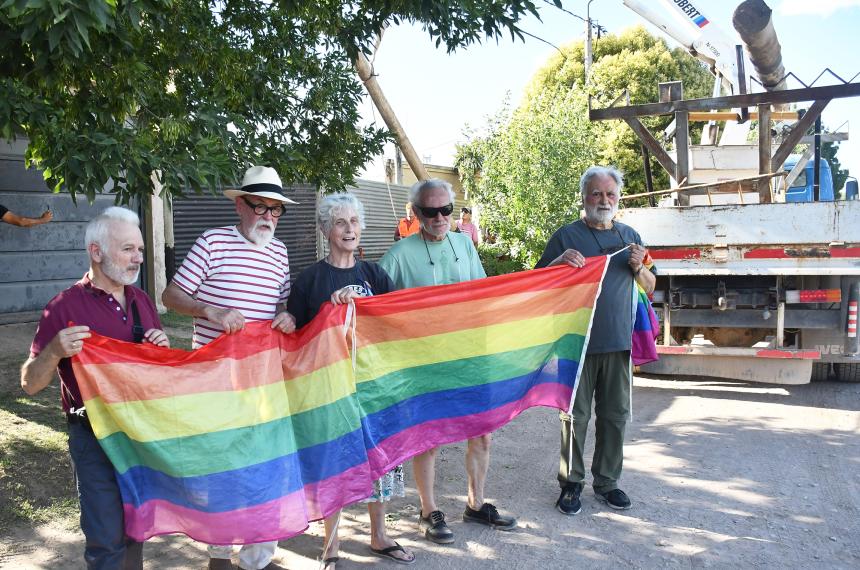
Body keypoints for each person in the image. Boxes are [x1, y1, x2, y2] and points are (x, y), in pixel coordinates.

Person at [161, 165, 296, 570]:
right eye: (260, 207)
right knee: (221, 466)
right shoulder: (212, 242)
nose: (268, 217)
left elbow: (282, 303)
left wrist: (288, 315)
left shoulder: (280, 252)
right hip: (216, 378)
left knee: (264, 465)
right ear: (240, 205)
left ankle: (257, 557)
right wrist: (210, 310)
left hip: (263, 380)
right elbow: (170, 296)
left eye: (275, 209)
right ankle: (219, 553)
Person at [20, 206, 170, 569]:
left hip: (138, 434)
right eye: (128, 249)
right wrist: (54, 350)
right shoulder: (64, 306)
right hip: (93, 437)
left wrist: (161, 351)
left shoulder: (142, 301)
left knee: (135, 532)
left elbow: (154, 377)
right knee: (106, 542)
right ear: (96, 251)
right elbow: (29, 384)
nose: (138, 258)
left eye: (140, 249)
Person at [379, 179, 517, 544]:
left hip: (468, 355)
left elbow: (483, 293)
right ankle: (429, 511)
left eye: (446, 210)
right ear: (416, 212)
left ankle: (476, 503)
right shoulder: (398, 255)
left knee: (482, 432)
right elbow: (375, 305)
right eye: (430, 211)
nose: (439, 217)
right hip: (423, 363)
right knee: (428, 438)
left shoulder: (464, 244)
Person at [287, 193, 415, 569]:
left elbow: (396, 322)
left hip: (373, 386)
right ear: (326, 230)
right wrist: (330, 309)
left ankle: (379, 535)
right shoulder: (310, 280)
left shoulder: (374, 275)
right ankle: (331, 545)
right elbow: (296, 337)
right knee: (335, 460)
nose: (349, 229)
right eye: (340, 222)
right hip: (329, 389)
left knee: (379, 457)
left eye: (354, 222)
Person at [535, 165, 656, 515]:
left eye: (610, 194)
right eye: (597, 194)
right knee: (575, 417)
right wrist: (558, 262)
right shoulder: (566, 236)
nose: (604, 200)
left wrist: (639, 267)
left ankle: (607, 483)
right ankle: (571, 483)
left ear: (618, 198)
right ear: (584, 197)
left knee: (615, 416)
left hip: (619, 343)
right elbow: (539, 283)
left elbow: (651, 287)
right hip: (577, 344)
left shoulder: (631, 236)